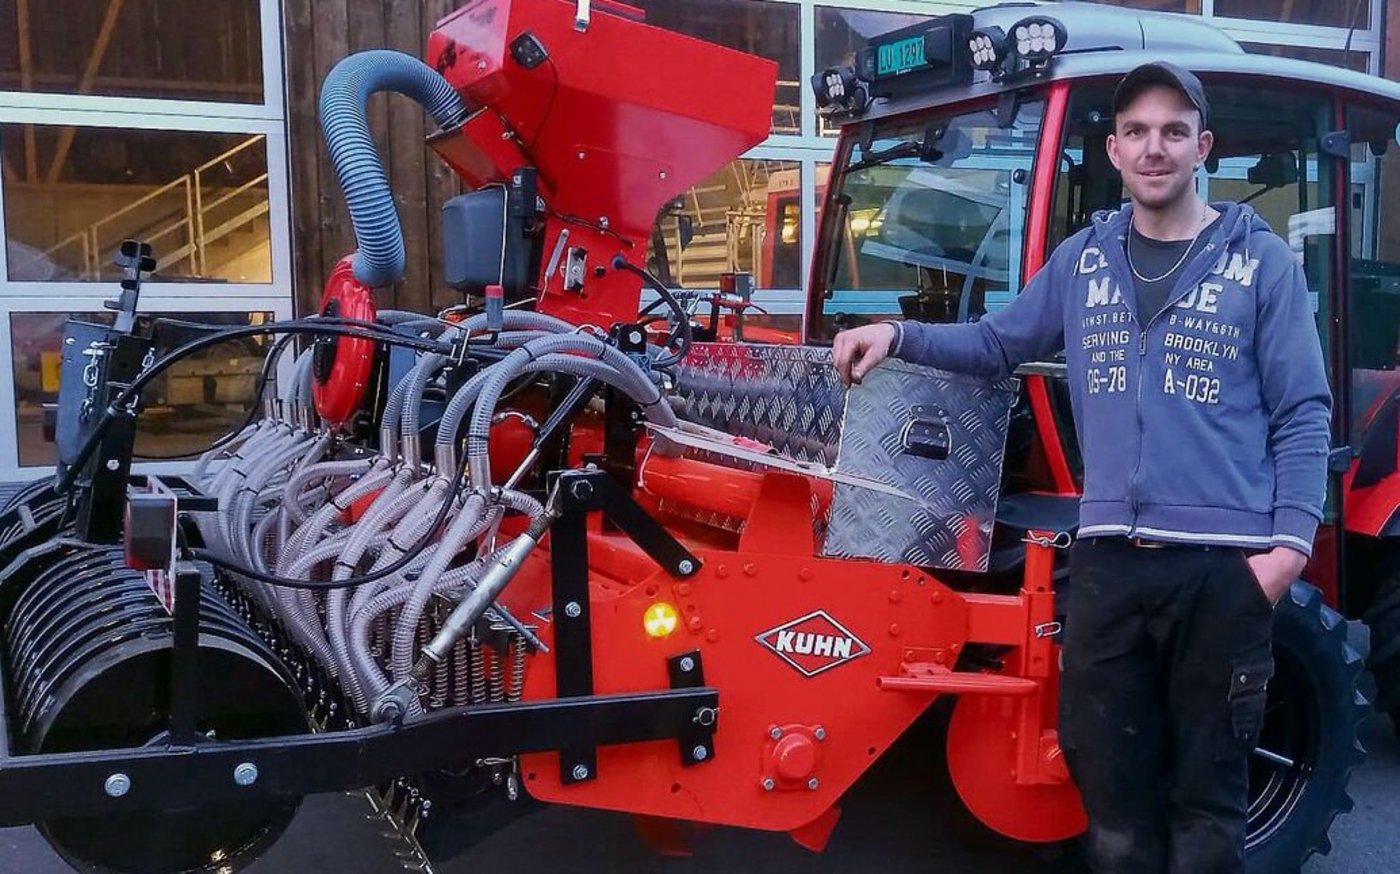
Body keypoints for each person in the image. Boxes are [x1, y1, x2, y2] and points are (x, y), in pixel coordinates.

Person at [832, 62, 1331, 873]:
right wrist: (898, 336)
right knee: (1112, 813)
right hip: (1107, 573)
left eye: (1174, 131)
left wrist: (1285, 555)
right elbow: (999, 345)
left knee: (1207, 814)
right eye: (1137, 131)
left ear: (1202, 146)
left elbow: (1304, 410)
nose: (1154, 147)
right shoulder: (1084, 261)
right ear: (1115, 148)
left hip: (1222, 575)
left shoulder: (1259, 263)